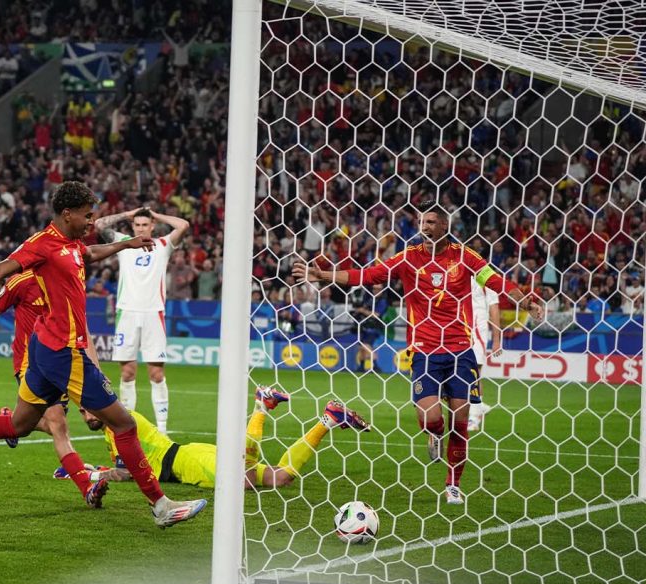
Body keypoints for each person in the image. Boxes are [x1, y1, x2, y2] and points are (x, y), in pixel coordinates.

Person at [0, 181, 207, 528]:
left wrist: (127, 243)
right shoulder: (42, 245)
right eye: (87, 215)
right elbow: (0, 270)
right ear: (68, 213)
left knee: (19, 424)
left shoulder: (74, 244)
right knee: (123, 423)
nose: (92, 220)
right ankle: (161, 506)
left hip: (45, 349)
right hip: (62, 352)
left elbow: (91, 253)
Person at [293, 201, 544, 505]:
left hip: (461, 350)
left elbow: (497, 281)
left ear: (445, 226)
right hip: (425, 351)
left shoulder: (465, 257)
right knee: (430, 418)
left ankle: (453, 483)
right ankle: (434, 434)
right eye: (421, 222)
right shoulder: (408, 258)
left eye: (431, 223)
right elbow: (370, 275)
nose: (424, 228)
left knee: (461, 419)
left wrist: (525, 301)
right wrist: (325, 276)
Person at [0, 269, 109, 505]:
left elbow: (84, 332)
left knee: (43, 426)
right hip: (30, 364)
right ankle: (87, 490)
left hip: (61, 361)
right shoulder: (21, 281)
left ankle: (10, 421)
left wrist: (97, 371)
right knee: (59, 425)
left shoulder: (66, 280)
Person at [73, 387, 370, 489]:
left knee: (241, 480)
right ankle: (329, 419)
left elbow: (125, 473)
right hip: (191, 453)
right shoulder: (111, 430)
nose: (87, 417)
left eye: (90, 410)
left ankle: (261, 405)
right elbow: (126, 466)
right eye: (82, 412)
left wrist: (97, 478)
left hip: (184, 464)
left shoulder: (123, 421)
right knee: (281, 478)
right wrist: (93, 470)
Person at [94, 207, 190, 433]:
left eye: (145, 224)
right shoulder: (123, 243)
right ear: (132, 226)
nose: (140, 228)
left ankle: (163, 430)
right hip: (126, 313)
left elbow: (183, 225)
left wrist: (156, 214)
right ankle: (127, 428)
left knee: (156, 374)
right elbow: (99, 225)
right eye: (137, 224)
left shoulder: (163, 245)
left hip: (153, 313)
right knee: (127, 373)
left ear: (152, 226)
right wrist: (127, 213)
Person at [468, 276, 501, 432]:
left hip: (477, 330)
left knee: (474, 372)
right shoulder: (455, 271)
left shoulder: (486, 277)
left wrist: (496, 340)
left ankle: (474, 417)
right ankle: (479, 405)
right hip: (457, 330)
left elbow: (494, 308)